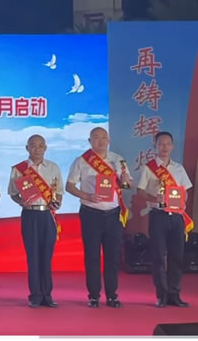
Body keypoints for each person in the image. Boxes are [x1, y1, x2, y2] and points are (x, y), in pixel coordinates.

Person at [66, 127, 133, 308]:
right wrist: (86, 196)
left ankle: (112, 295)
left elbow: (128, 185)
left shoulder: (118, 160)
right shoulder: (81, 161)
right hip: (91, 213)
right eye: (96, 137)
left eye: (104, 137)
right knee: (92, 255)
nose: (100, 140)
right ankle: (94, 295)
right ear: (90, 141)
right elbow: (69, 186)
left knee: (113, 255)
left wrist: (125, 180)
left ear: (109, 140)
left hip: (114, 214)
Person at [136, 131, 193, 308]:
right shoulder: (149, 168)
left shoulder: (179, 168)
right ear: (155, 145)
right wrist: (154, 198)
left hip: (176, 216)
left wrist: (181, 202)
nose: (165, 147)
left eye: (168, 143)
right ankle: (162, 295)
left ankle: (175, 294)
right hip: (158, 215)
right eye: (161, 143)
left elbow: (185, 191)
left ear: (173, 146)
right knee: (159, 256)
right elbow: (140, 191)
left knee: (177, 256)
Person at [8, 134, 63, 308]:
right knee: (32, 255)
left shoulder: (53, 167)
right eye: (33, 145)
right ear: (27, 148)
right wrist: (20, 202)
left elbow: (59, 192)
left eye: (40, 146)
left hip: (47, 215)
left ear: (45, 148)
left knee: (47, 255)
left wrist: (57, 202)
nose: (37, 149)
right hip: (29, 214)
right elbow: (13, 193)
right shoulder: (19, 169)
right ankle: (35, 295)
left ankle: (47, 294)